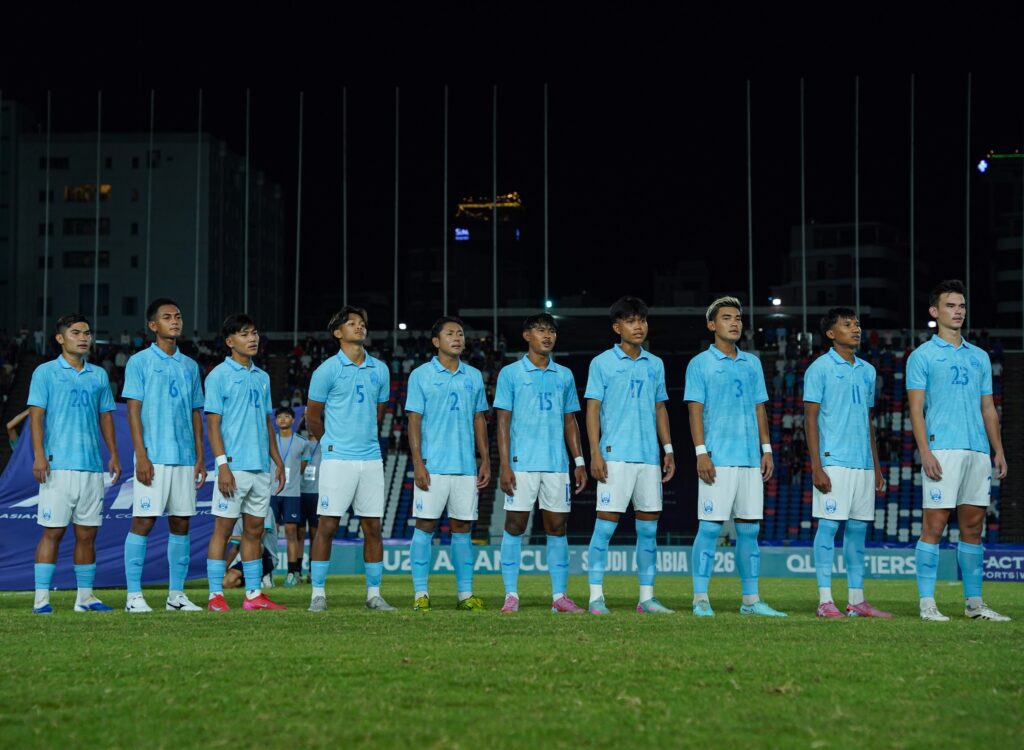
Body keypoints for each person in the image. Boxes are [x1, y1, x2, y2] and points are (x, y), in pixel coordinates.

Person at [908, 280, 1010, 621]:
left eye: (962, 306)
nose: (958, 311)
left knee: (973, 527)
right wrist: (925, 451)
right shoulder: (922, 356)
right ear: (934, 311)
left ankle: (974, 604)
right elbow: (916, 409)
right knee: (934, 525)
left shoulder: (979, 357)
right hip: (943, 449)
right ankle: (927, 604)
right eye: (951, 305)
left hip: (977, 450)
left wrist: (997, 450)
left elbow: (988, 408)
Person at [685, 297, 785, 618]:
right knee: (710, 529)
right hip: (718, 458)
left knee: (749, 530)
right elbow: (695, 411)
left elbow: (759, 409)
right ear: (712, 324)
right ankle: (700, 598)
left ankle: (751, 600)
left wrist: (766, 449)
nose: (735, 323)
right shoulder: (700, 363)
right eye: (727, 317)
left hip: (749, 459)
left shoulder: (752, 363)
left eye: (738, 318)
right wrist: (701, 453)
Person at [584, 296, 675, 615]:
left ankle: (646, 598)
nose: (639, 326)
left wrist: (668, 449)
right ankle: (596, 597)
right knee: (604, 528)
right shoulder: (602, 363)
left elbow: (660, 408)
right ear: (617, 327)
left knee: (648, 530)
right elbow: (592, 409)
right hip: (615, 456)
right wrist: (595, 452)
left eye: (643, 320)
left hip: (649, 458)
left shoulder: (655, 364)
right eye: (631, 321)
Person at [495, 313, 588, 613]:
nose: (547, 336)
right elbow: (503, 422)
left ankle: (559, 597)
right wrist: (505, 465)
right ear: (527, 336)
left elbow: (570, 420)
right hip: (521, 463)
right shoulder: (510, 373)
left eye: (551, 331)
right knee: (515, 525)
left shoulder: (564, 375)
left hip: (557, 464)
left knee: (557, 527)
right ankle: (511, 595)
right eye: (540, 330)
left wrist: (579, 461)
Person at [28, 313, 121, 614]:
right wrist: (39, 455)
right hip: (57, 467)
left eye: (87, 333)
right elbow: (36, 417)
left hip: (92, 467)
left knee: (87, 535)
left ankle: (85, 598)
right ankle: (41, 600)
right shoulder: (45, 373)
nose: (83, 338)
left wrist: (114, 454)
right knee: (53, 533)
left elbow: (106, 417)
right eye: (76, 332)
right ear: (60, 338)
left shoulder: (99, 375)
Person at [304, 306, 394, 611]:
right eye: (352, 323)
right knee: (327, 525)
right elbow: (312, 416)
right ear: (337, 332)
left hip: (370, 458)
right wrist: (330, 443)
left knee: (373, 527)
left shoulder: (380, 369)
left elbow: (379, 413)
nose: (359, 327)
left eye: (362, 323)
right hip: (337, 459)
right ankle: (318, 593)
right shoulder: (326, 370)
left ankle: (374, 594)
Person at [804, 308, 891, 618]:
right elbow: (810, 419)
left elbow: (868, 422)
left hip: (863, 464)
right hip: (834, 461)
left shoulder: (868, 371)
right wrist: (816, 466)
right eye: (847, 324)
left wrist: (876, 467)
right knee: (828, 527)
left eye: (857, 324)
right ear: (831, 333)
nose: (856, 329)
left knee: (857, 531)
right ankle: (825, 601)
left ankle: (857, 600)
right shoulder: (819, 368)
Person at [122, 299, 207, 613]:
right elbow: (133, 410)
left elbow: (196, 414)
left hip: (184, 457)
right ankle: (133, 597)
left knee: (181, 522)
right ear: (153, 325)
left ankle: (176, 596)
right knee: (143, 521)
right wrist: (141, 455)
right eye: (167, 317)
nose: (175, 321)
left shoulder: (190, 366)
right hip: (153, 456)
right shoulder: (139, 362)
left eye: (178, 316)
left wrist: (200, 456)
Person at [406, 316, 490, 612]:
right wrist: (418, 463)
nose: (457, 338)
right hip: (433, 465)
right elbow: (413, 420)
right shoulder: (421, 375)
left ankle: (465, 595)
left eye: (461, 334)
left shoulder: (473, 376)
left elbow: (479, 419)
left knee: (462, 529)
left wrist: (485, 459)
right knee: (425, 526)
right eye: (450, 333)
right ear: (436, 341)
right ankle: (420, 594)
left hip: (465, 466)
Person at [204, 314, 286, 612]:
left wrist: (277, 460)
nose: (252, 338)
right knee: (223, 531)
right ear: (230, 341)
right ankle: (215, 596)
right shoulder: (218, 376)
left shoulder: (262, 377)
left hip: (260, 467)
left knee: (254, 531)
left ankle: (253, 595)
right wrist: (222, 465)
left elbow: (266, 422)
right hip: (233, 467)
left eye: (254, 333)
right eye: (244, 334)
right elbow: (213, 425)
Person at [269, 406, 309, 587]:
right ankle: (267, 573)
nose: (283, 419)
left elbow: (302, 468)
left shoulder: (302, 442)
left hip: (292, 494)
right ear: (275, 421)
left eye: (286, 416)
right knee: (269, 533)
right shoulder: (270, 440)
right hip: (272, 493)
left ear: (293, 420)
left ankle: (292, 573)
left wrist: (291, 480)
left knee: (291, 532)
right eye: (279, 416)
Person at [298, 426, 322, 582]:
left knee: (315, 534)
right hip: (299, 492)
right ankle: (296, 572)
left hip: (317, 494)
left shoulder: (324, 445)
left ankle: (313, 571)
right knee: (299, 533)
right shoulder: (301, 443)